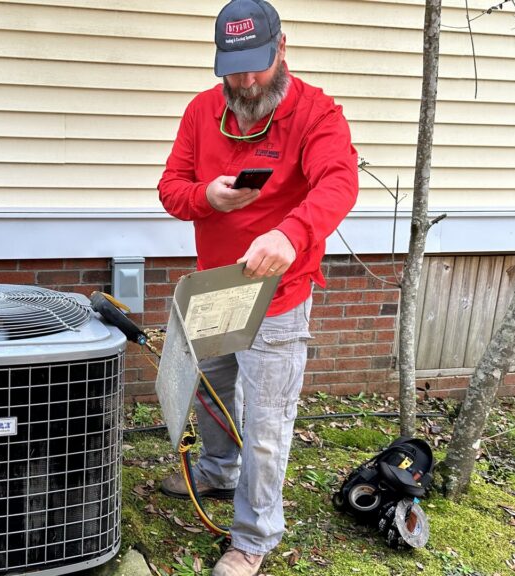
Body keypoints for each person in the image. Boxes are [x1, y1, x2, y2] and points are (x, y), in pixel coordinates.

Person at [156, 0, 358, 574]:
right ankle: (218, 471)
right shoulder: (201, 112)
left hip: (280, 293)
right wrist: (207, 197)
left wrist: (292, 234)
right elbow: (171, 187)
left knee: (266, 424)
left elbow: (339, 181)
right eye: (233, 68)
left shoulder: (316, 114)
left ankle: (253, 537)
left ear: (282, 48)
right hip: (218, 289)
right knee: (213, 393)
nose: (245, 82)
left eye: (256, 66)